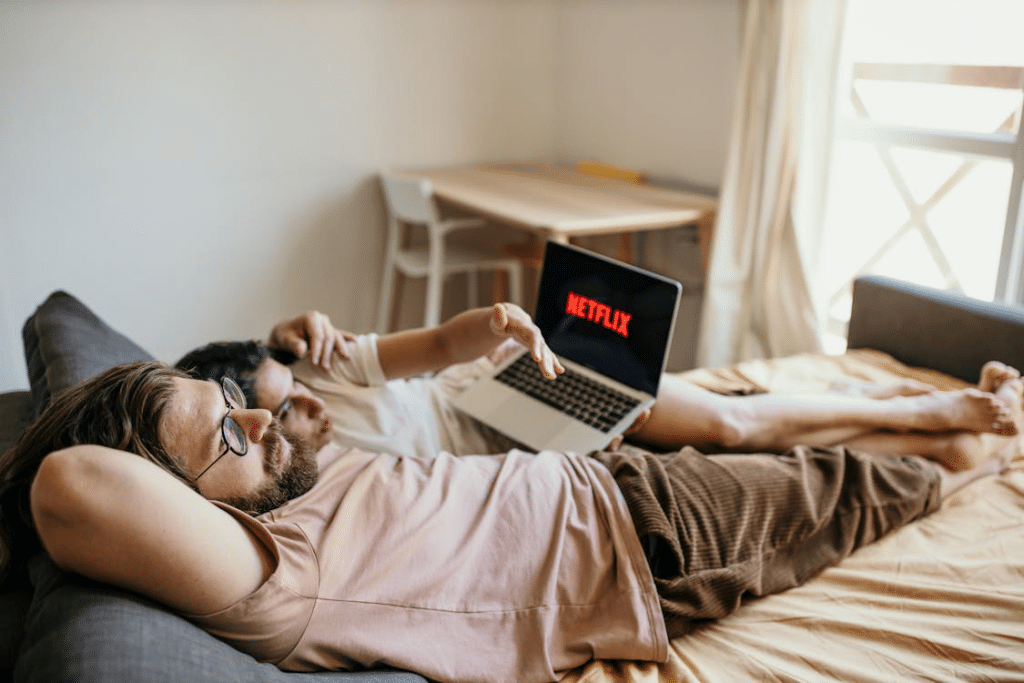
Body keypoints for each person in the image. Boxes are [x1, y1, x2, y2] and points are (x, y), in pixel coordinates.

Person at [4, 360, 1021, 682]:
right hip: (650, 543)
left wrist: (249, 416)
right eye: (229, 430)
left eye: (235, 399)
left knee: (742, 420)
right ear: (176, 505)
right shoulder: (266, 574)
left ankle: (930, 408)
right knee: (860, 483)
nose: (258, 421)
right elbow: (68, 484)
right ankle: (981, 444)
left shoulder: (286, 489)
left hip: (597, 478)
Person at [176, 303, 1020, 473]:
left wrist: (498, 322)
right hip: (527, 450)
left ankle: (926, 407)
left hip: (493, 383)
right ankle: (919, 423)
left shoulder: (328, 370)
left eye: (295, 384)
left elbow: (438, 346)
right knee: (729, 437)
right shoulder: (294, 482)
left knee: (728, 424)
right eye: (284, 411)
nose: (309, 403)